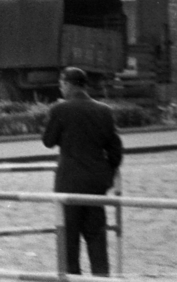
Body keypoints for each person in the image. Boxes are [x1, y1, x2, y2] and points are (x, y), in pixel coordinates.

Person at [42, 66, 123, 277]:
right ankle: (102, 279)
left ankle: (72, 278)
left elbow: (48, 141)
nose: (60, 88)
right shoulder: (104, 111)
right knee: (96, 237)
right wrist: (107, 174)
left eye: (61, 84)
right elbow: (116, 150)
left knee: (69, 240)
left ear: (68, 84)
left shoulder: (60, 110)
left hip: (68, 184)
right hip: (96, 186)